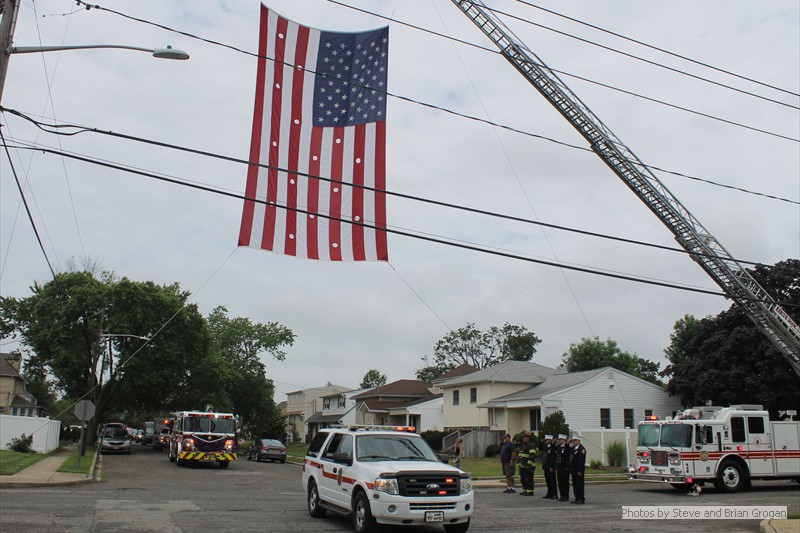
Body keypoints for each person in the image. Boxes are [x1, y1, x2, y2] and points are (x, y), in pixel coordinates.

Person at [516, 431, 536, 496]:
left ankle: (530, 491)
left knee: (529, 479)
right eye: (523, 438)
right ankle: (525, 490)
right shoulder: (523, 445)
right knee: (523, 479)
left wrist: (529, 464)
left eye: (525, 438)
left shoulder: (531, 445)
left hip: (528, 466)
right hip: (522, 465)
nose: (523, 439)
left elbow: (532, 456)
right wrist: (518, 462)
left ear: (528, 438)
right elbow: (521, 454)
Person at [569, 434, 586, 504]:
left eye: (575, 440)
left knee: (580, 485)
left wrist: (579, 470)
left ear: (579, 441)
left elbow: (581, 461)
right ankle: (576, 498)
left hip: (578, 470)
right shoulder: (573, 448)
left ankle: (581, 498)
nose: (574, 442)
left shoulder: (582, 449)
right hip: (573, 470)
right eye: (573, 440)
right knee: (575, 485)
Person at [541, 434, 558, 499]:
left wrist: (552, 466)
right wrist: (541, 442)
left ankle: (554, 494)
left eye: (548, 440)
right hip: (546, 466)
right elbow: (540, 449)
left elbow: (553, 458)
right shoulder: (546, 447)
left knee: (552, 481)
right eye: (546, 440)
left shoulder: (553, 447)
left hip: (550, 466)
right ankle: (549, 493)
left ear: (551, 440)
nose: (547, 441)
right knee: (548, 480)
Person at [555, 434, 570, 502]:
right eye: (559, 439)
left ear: (564, 440)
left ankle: (566, 496)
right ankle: (562, 495)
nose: (560, 440)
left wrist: (567, 467)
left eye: (561, 439)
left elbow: (567, 457)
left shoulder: (567, 447)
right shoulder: (559, 447)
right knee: (560, 482)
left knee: (565, 482)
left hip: (564, 467)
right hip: (559, 467)